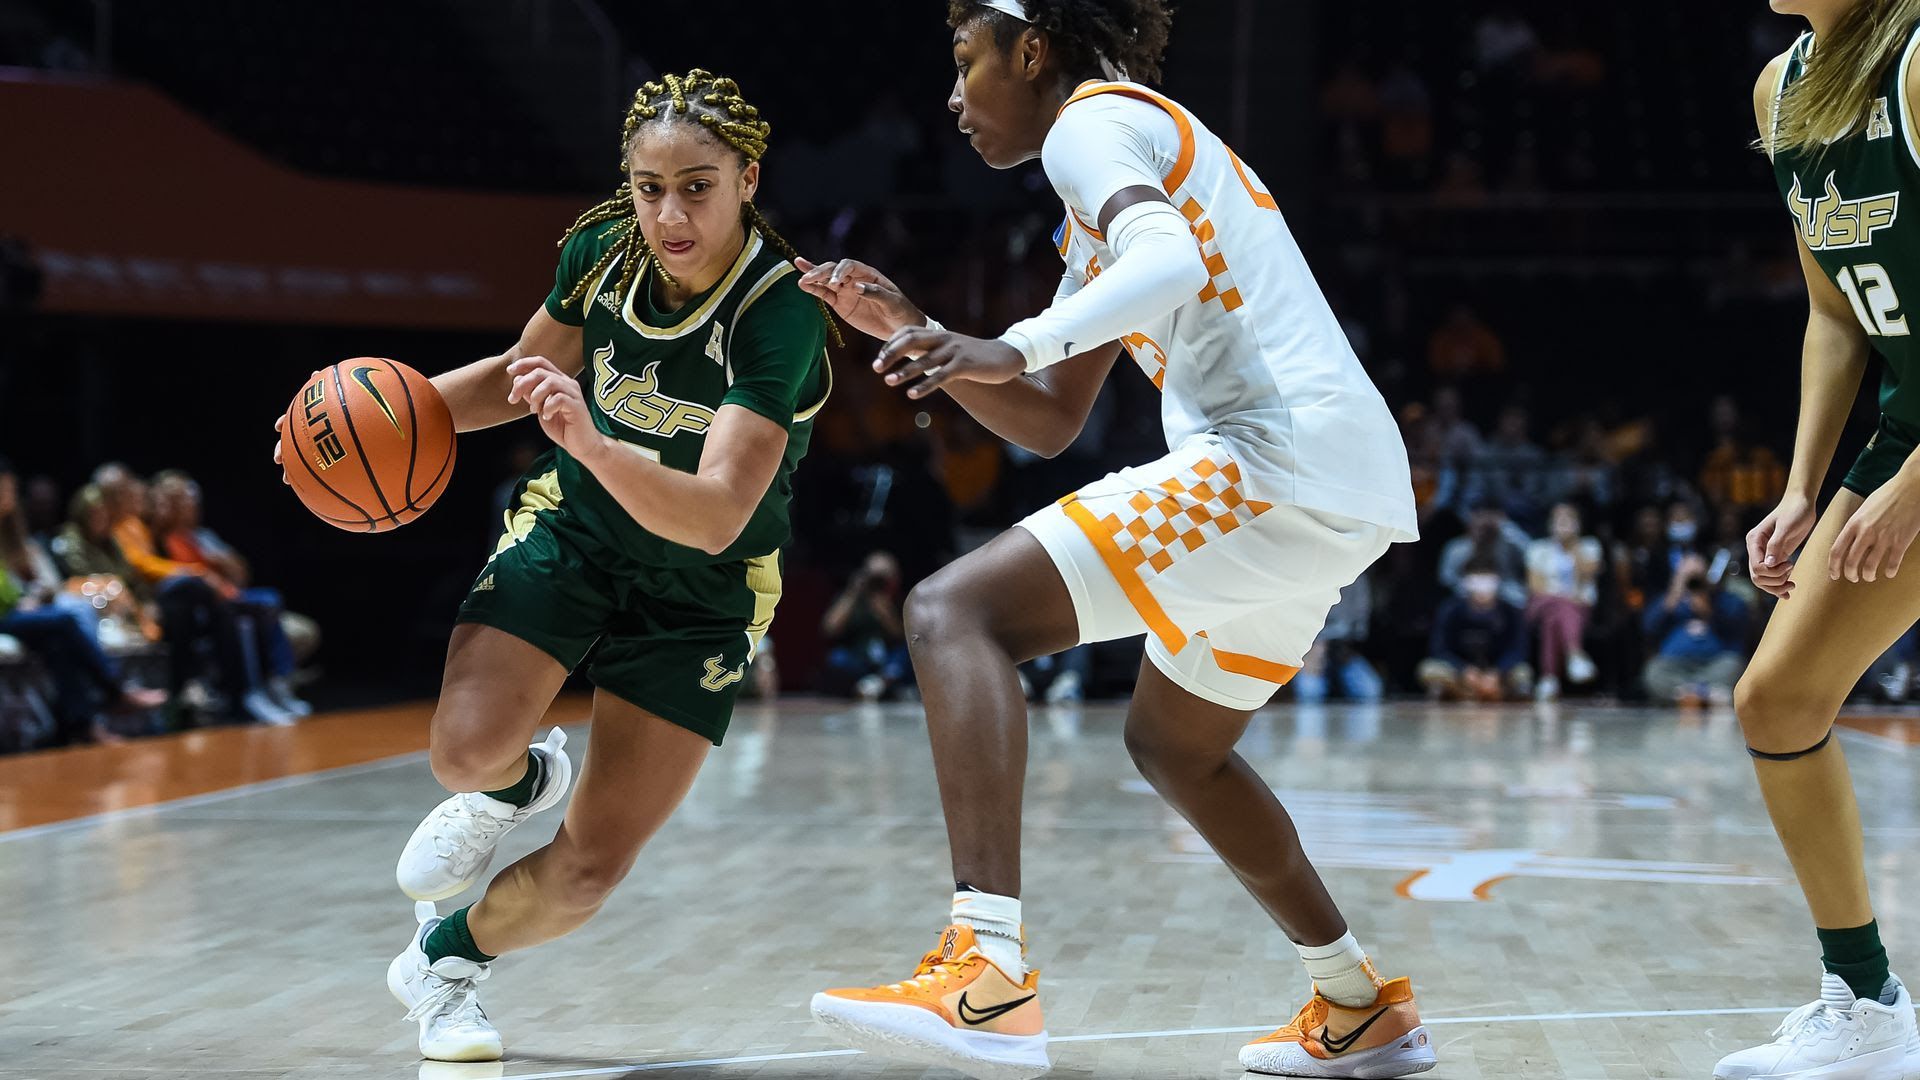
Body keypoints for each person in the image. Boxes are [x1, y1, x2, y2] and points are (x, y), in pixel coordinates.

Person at [795, 4, 1434, 1077]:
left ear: (1032, 51)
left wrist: (1005, 341)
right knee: (1176, 746)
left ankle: (984, 974)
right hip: (1331, 481)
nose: (952, 97)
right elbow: (1048, 417)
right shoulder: (1112, 171)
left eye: (964, 62)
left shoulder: (1093, 124)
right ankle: (1356, 1004)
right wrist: (928, 331)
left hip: (1272, 461)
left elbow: (1169, 262)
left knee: (953, 612)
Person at [269, 70, 832, 1063]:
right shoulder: (601, 251)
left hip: (706, 583)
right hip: (578, 532)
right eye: (649, 186)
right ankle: (517, 783)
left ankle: (445, 962)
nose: (669, 213)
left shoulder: (776, 316)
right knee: (462, 754)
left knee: (585, 876)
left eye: (697, 186)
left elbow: (715, 514)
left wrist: (593, 441)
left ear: (748, 178)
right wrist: (352, 424)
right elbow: (516, 378)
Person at [1718, 4, 1920, 1074]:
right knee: (1779, 698)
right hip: (1908, 425)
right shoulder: (1780, 86)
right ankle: (1871, 1004)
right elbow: (1836, 314)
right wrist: (1805, 489)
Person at [0, 459, 162, 744]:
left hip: (22, 611)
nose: (9, 496)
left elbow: (42, 584)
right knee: (65, 620)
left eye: (11, 489)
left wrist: (34, 596)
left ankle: (79, 726)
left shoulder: (16, 536)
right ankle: (115, 690)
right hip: (7, 613)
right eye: (4, 489)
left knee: (58, 645)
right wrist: (24, 599)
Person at [1641, 554, 1749, 707]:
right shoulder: (1669, 601)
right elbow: (1649, 627)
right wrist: (1673, 595)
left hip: (1714, 664)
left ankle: (1685, 695)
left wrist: (1709, 609)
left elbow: (1737, 626)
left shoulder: (1725, 601)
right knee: (1653, 671)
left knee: (1733, 665)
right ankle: (1705, 694)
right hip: (1675, 664)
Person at [1418, 562, 1532, 702]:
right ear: (1465, 582)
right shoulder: (1450, 610)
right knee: (1429, 669)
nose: (1482, 589)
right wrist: (1464, 670)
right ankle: (1468, 693)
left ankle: (1487, 694)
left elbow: (1518, 650)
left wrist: (1497, 672)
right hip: (1461, 674)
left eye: (1487, 580)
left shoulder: (1510, 612)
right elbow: (1439, 649)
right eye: (1476, 580)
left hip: (1497, 675)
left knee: (1523, 673)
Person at [1525, 502, 1602, 700]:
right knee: (1560, 606)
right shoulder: (1538, 549)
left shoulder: (1590, 546)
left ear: (1578, 524)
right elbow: (1536, 587)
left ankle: (1549, 678)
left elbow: (1587, 574)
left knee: (1554, 619)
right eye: (1558, 519)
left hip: (1580, 608)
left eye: (1569, 519)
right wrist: (1565, 597)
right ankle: (1575, 655)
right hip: (1543, 603)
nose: (1563, 524)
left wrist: (1573, 547)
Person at [820, 550, 912, 700]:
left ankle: (878, 684)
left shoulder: (901, 599)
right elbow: (829, 629)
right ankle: (876, 687)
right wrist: (852, 593)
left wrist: (883, 608)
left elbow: (901, 636)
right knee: (837, 658)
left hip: (888, 660)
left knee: (905, 654)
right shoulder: (851, 600)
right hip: (859, 658)